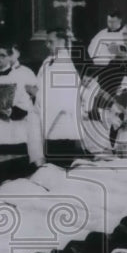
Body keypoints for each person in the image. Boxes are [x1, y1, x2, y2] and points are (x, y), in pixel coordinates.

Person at [36, 29, 83, 158]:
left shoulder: (64, 63)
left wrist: (36, 93)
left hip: (60, 122)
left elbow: (62, 96)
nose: (47, 45)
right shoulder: (49, 61)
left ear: (62, 41)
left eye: (51, 42)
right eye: (46, 42)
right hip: (49, 119)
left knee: (59, 164)